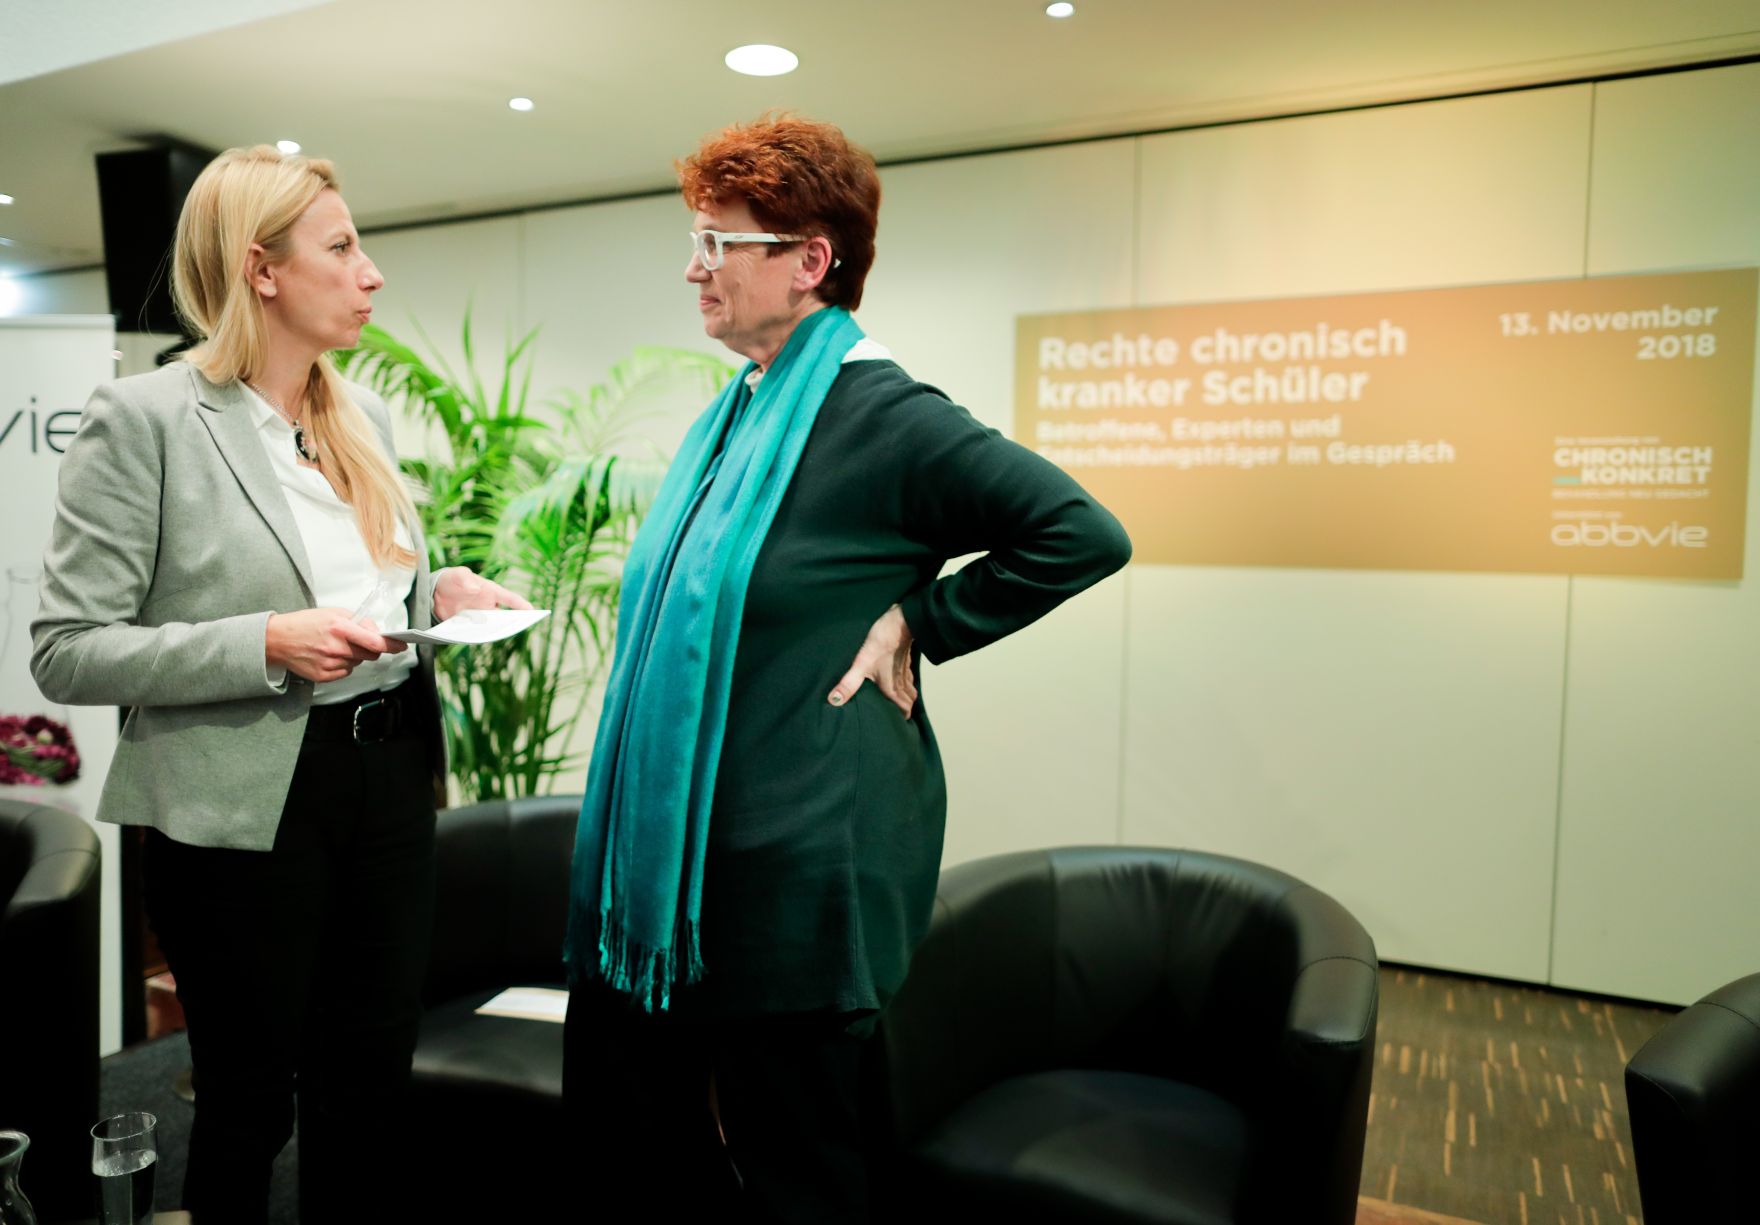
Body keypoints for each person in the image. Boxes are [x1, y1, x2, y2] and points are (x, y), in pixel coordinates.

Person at [561, 114, 1133, 1221]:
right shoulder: (740, 414)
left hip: (801, 876)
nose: (695, 265)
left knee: (800, 1171)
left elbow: (1080, 532)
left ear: (808, 262)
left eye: (718, 242)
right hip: (684, 876)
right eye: (697, 238)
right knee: (648, 1145)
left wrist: (924, 616)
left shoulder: (888, 415)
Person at [31, 145, 526, 1223]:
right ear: (261, 269)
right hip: (245, 806)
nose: (371, 272)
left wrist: (431, 591)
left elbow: (357, 593)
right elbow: (68, 647)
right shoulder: (145, 419)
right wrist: (263, 640)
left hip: (391, 776)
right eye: (342, 248)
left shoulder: (361, 420)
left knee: (367, 1082)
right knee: (249, 1102)